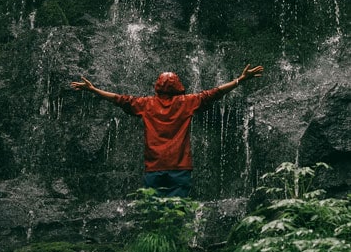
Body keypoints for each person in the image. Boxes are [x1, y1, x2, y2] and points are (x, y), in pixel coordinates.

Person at [71, 64, 263, 197]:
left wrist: (94, 90)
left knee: (152, 210)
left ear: (157, 86)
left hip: (154, 167)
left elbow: (119, 99)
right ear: (179, 85)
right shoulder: (186, 103)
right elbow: (214, 93)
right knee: (177, 210)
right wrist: (240, 80)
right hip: (179, 167)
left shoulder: (146, 104)